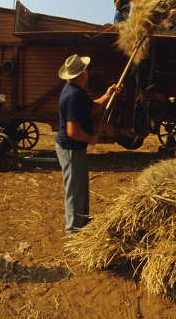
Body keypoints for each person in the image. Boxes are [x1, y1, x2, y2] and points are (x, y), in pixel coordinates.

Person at [55, 54, 120, 236]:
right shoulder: (73, 95)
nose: (88, 72)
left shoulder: (76, 90)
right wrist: (91, 139)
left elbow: (91, 108)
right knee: (74, 191)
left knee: (80, 187)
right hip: (70, 149)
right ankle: (74, 233)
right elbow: (73, 131)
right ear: (82, 75)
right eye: (86, 70)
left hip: (74, 148)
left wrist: (108, 95)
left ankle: (81, 222)